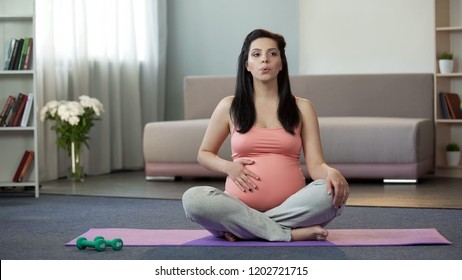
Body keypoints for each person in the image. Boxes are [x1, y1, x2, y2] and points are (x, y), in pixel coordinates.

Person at [182, 29, 349, 242]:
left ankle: (246, 230)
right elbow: (204, 153)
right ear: (247, 64)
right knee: (194, 199)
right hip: (240, 205)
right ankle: (286, 233)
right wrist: (228, 167)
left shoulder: (302, 107)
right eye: (256, 54)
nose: (265, 60)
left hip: (292, 208)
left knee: (331, 192)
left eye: (272, 54)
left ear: (281, 63)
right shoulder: (229, 106)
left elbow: (317, 166)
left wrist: (330, 172)